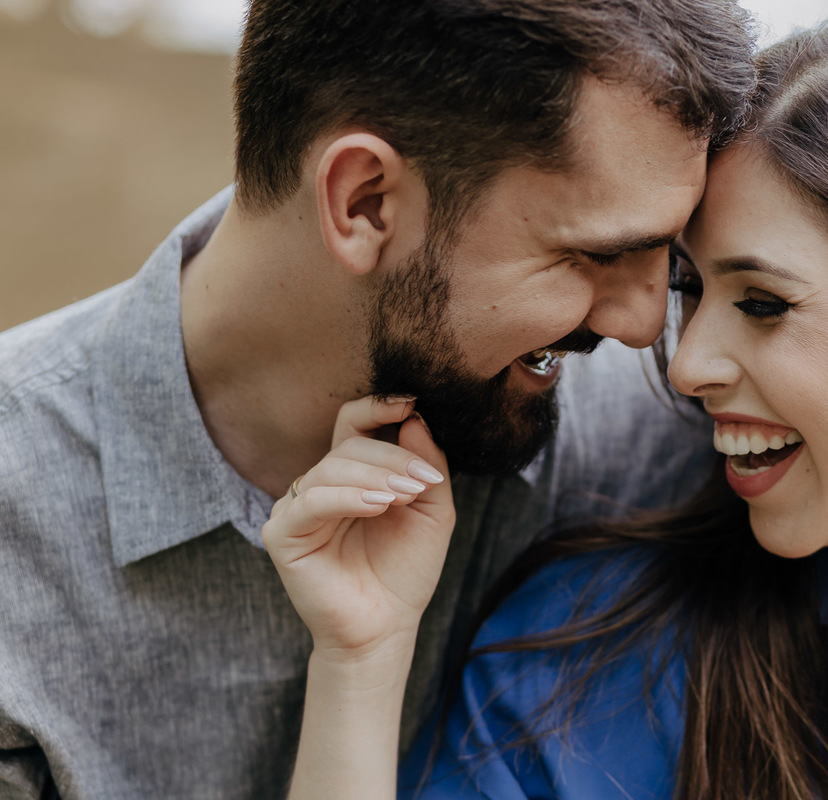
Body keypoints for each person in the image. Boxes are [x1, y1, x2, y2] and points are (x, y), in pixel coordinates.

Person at [265, 10, 828, 800]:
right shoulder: (584, 673)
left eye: (763, 303)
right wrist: (360, 664)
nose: (689, 366)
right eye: (691, 294)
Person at [0, 2, 757, 798]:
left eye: (666, 256)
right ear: (363, 202)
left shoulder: (676, 422)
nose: (649, 329)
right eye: (597, 255)